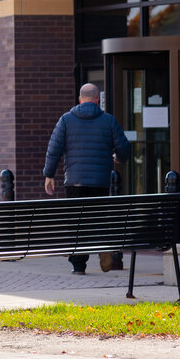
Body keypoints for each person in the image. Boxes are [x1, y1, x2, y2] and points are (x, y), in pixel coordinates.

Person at [43, 82, 131, 275]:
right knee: (98, 218)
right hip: (99, 181)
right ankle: (102, 247)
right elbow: (124, 148)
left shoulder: (66, 120)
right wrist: (119, 158)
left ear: (80, 99)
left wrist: (49, 174)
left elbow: (54, 148)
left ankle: (79, 265)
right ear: (98, 100)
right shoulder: (109, 121)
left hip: (74, 180)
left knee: (76, 222)